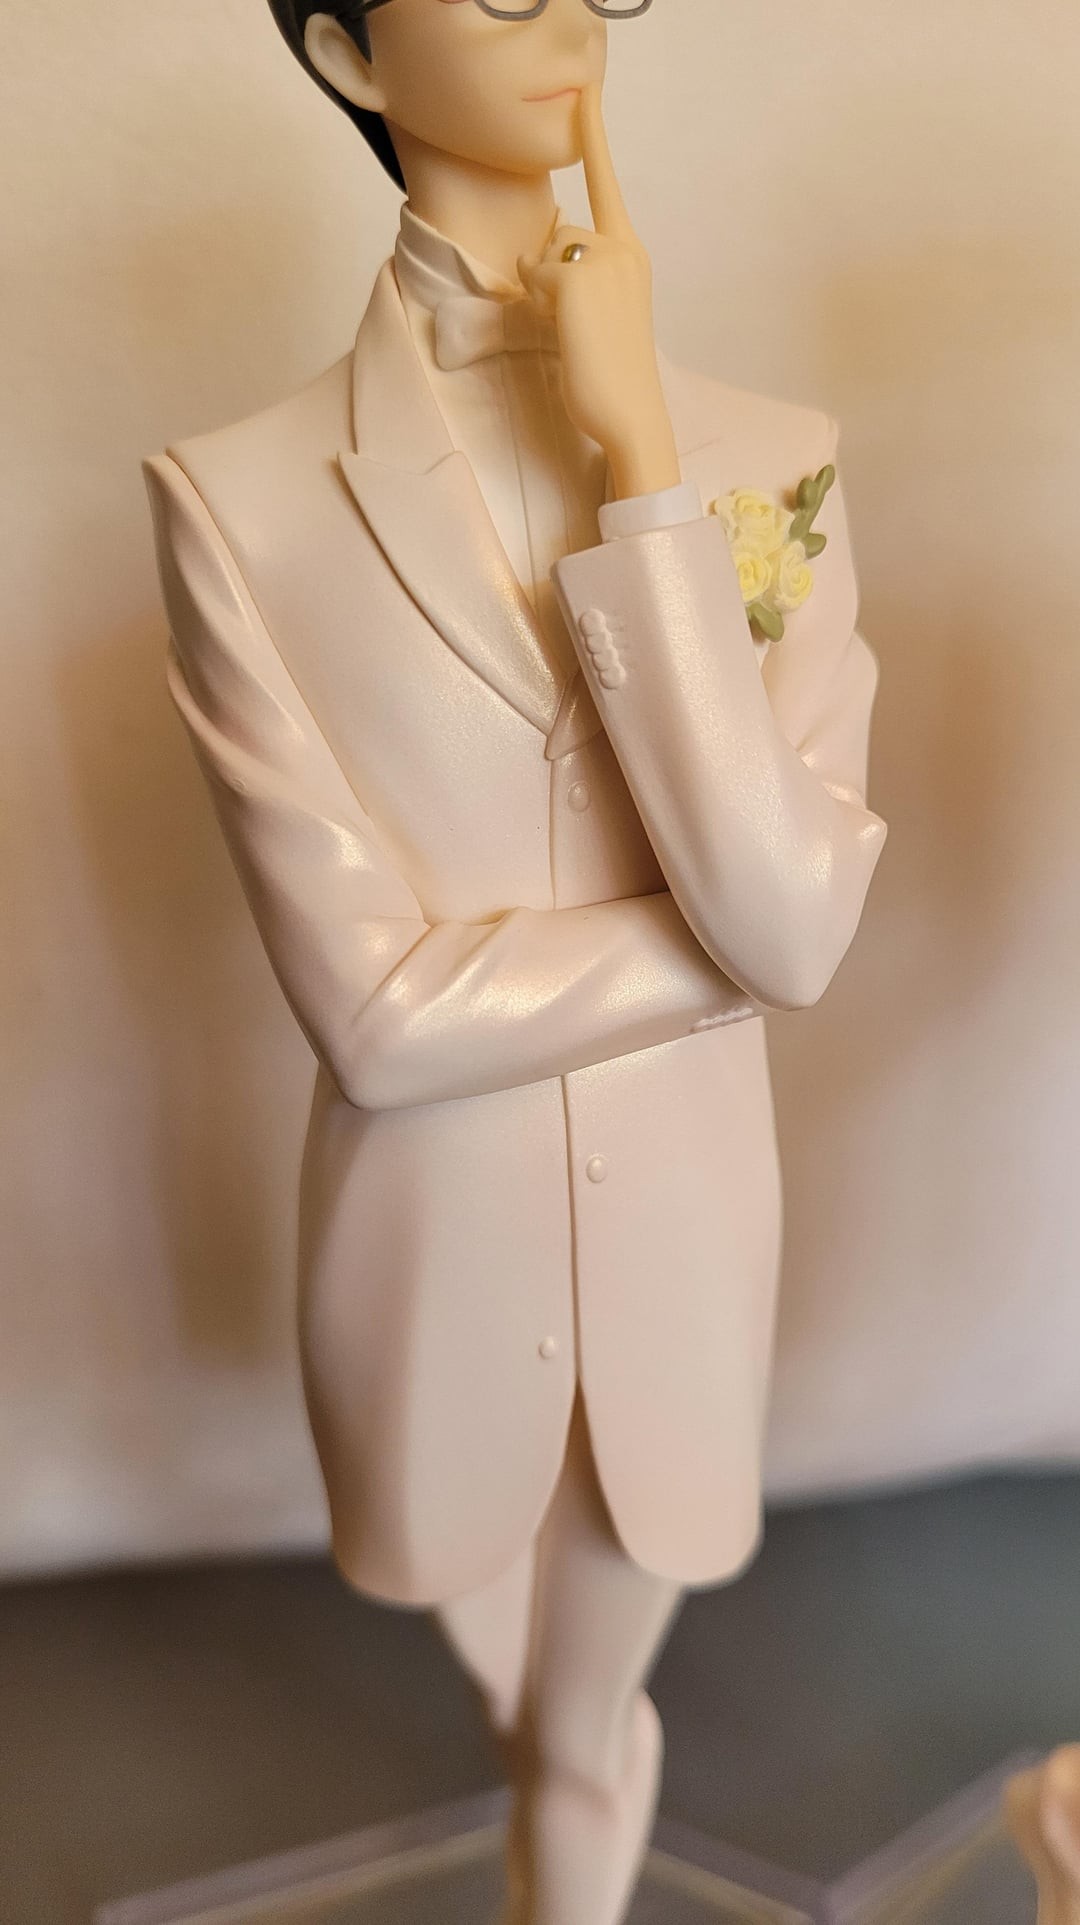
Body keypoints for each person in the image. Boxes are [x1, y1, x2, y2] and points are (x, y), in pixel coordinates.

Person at [142, 4, 887, 1919]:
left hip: (686, 1273)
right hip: (422, 1271)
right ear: (348, 54)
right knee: (532, 1710)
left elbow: (802, 925)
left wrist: (646, 468)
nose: (562, 19)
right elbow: (376, 1017)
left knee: (583, 1725)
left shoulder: (771, 461)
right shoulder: (235, 498)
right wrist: (723, 949)